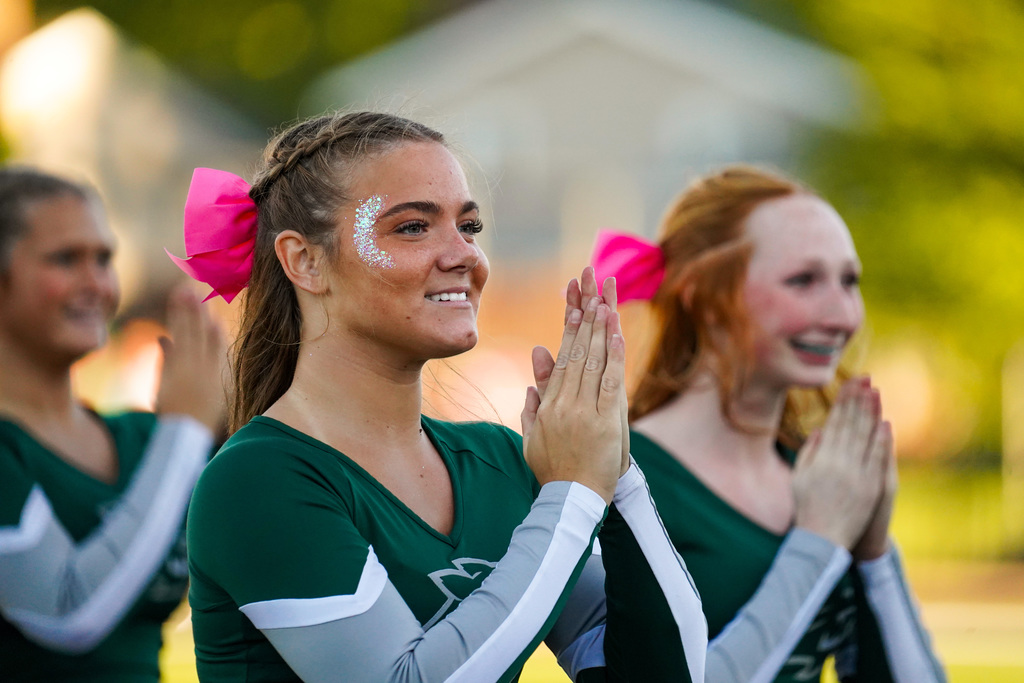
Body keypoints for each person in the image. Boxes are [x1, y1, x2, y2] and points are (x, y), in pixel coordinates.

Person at [174, 111, 708, 683]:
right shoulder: (259, 479)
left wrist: (615, 469)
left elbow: (667, 673)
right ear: (304, 261)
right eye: (412, 228)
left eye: (469, 227)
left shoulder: (501, 463)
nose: (464, 256)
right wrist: (574, 497)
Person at [591, 165, 946, 683]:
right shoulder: (622, 480)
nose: (843, 315)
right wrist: (820, 541)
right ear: (703, 296)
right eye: (803, 280)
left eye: (849, 281)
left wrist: (874, 553)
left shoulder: (820, 473)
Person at [0, 166, 226, 682]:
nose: (97, 284)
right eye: (65, 259)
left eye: (104, 259)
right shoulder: (171, 439)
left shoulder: (143, 440)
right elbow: (68, 614)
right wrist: (188, 429)